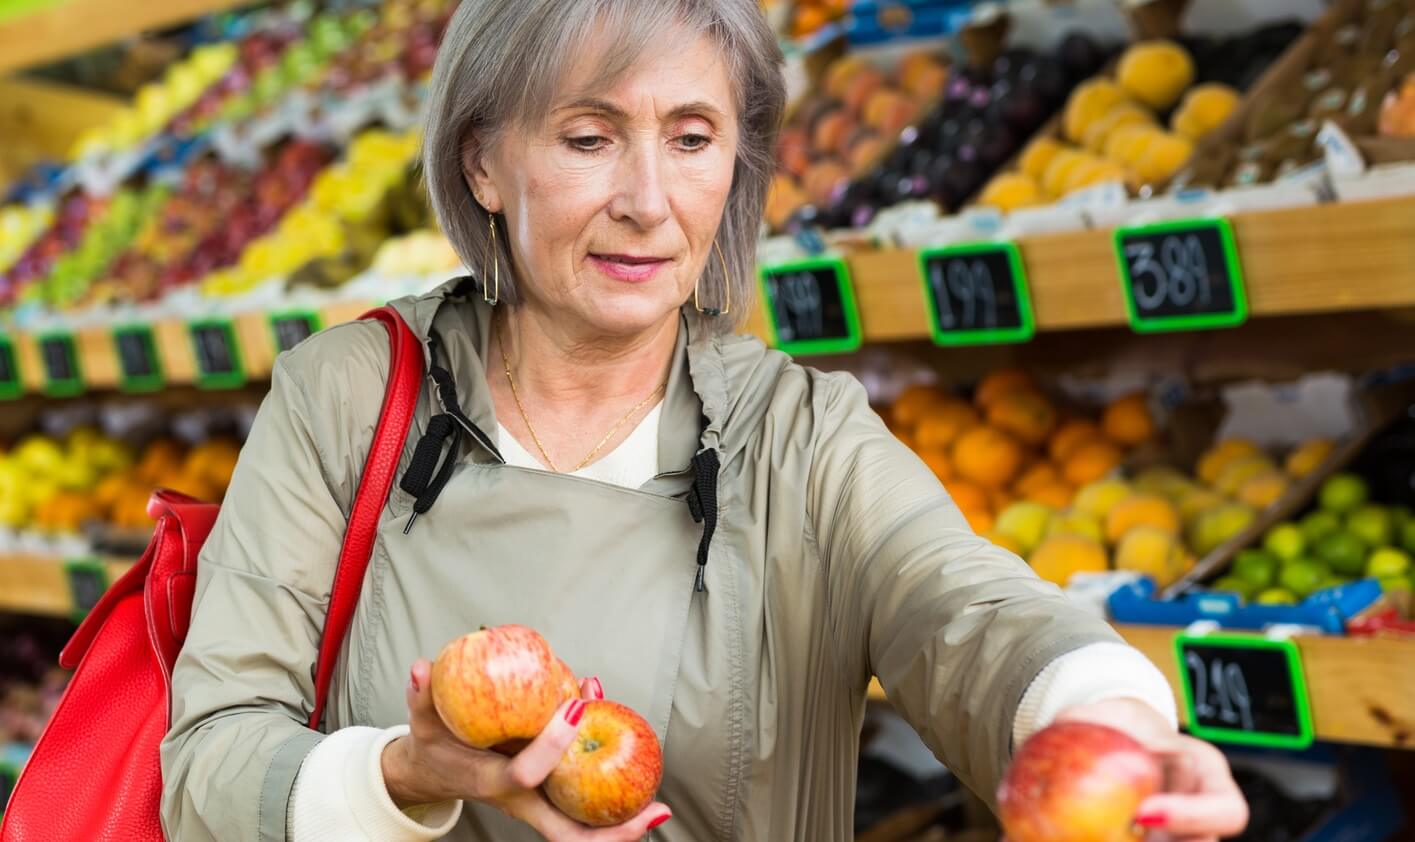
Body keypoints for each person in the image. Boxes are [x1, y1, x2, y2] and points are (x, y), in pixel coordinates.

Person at [160, 1, 1250, 840]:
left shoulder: (798, 434)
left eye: (691, 138)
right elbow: (206, 760)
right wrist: (403, 772)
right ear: (483, 162)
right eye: (589, 138)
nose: (648, 198)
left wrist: (1112, 719)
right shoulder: (347, 395)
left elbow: (970, 608)